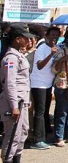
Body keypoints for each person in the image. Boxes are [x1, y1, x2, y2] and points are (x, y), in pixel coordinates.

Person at [0, 23, 35, 163]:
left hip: (22, 102)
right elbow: (10, 83)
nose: (28, 41)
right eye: (25, 38)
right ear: (17, 39)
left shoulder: (19, 55)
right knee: (12, 136)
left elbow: (24, 81)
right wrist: (14, 106)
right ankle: (8, 159)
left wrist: (27, 100)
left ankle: (17, 159)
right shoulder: (11, 58)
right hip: (14, 103)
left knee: (22, 133)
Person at [30, 26, 60, 151]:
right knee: (40, 112)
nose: (54, 37)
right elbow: (40, 66)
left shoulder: (55, 49)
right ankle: (37, 140)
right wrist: (51, 55)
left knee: (45, 111)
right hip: (39, 84)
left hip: (48, 84)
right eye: (52, 35)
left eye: (56, 35)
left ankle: (44, 136)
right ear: (47, 36)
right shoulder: (42, 49)